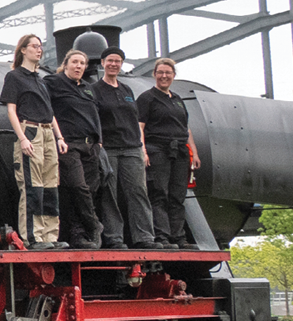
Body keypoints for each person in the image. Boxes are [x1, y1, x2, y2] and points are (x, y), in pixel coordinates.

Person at [1, 34, 67, 248]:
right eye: (34, 46)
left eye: (40, 47)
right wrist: (22, 137)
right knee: (32, 187)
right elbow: (11, 110)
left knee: (50, 187)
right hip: (30, 130)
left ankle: (50, 236)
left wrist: (59, 137)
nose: (39, 50)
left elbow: (51, 111)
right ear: (23, 50)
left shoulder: (40, 79)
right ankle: (33, 237)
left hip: (48, 132)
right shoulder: (14, 77)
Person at [92, 47, 155, 248]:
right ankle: (114, 238)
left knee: (138, 192)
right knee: (110, 195)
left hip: (131, 148)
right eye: (110, 60)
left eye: (118, 61)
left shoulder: (127, 90)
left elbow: (135, 119)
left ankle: (144, 237)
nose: (114, 64)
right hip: (109, 148)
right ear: (103, 63)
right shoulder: (95, 90)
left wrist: (141, 147)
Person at [138, 57, 198, 248]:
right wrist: (143, 150)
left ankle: (179, 237)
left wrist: (194, 154)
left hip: (179, 151)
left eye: (168, 73)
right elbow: (139, 126)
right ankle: (162, 237)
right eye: (161, 72)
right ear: (155, 74)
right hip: (158, 150)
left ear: (173, 75)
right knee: (159, 194)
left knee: (177, 195)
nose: (164, 76)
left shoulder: (178, 100)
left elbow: (185, 128)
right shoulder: (147, 98)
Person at [47, 49, 103, 249]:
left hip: (90, 144)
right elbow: (47, 109)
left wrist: (99, 141)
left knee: (88, 190)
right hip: (68, 143)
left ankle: (79, 235)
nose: (79, 66)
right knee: (77, 186)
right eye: (75, 62)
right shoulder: (53, 82)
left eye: (82, 63)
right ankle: (94, 224)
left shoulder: (88, 88)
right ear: (66, 63)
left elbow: (95, 115)